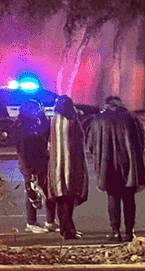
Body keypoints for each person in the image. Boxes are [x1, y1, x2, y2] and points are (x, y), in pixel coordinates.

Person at [86, 96, 145, 242]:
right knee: (129, 198)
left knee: (113, 197)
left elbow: (91, 144)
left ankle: (115, 231)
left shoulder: (99, 120)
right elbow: (140, 142)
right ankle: (130, 232)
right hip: (128, 164)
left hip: (108, 165)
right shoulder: (131, 118)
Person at [47, 96, 88, 240]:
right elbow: (81, 139)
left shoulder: (53, 121)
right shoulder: (73, 121)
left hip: (56, 165)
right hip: (70, 165)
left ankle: (64, 230)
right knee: (68, 199)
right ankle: (69, 231)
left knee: (60, 198)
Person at [13, 101, 53, 233]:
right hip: (30, 165)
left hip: (40, 162)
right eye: (36, 109)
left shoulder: (33, 124)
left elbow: (46, 132)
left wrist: (43, 117)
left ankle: (50, 221)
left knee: (47, 191)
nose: (37, 112)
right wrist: (29, 171)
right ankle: (31, 222)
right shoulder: (22, 126)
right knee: (32, 191)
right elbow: (23, 151)